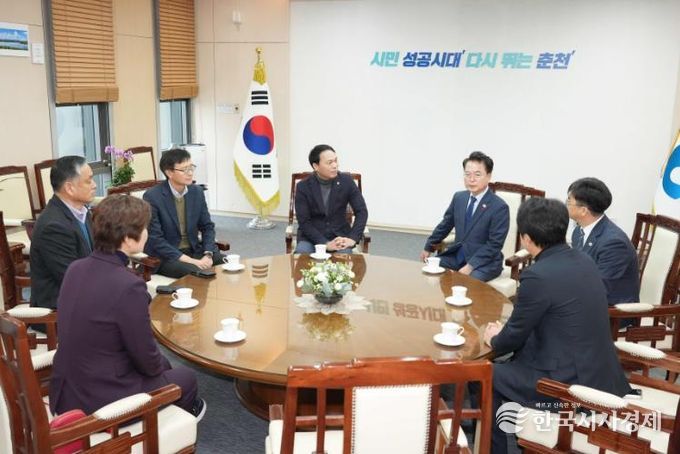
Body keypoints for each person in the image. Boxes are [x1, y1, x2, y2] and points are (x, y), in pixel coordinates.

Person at [483, 198, 631, 453]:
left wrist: (494, 338)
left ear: (526, 238)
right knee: (510, 363)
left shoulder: (537, 276)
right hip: (601, 373)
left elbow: (513, 335)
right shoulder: (584, 260)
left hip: (567, 385)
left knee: (487, 374)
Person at [50, 195, 205, 419]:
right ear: (128, 239)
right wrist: (159, 368)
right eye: (144, 228)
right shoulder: (128, 285)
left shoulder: (76, 268)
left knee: (164, 363)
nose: (147, 233)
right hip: (103, 401)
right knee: (187, 377)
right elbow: (147, 361)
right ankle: (164, 427)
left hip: (69, 390)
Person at [421, 151, 509, 281]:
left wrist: (470, 266)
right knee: (431, 270)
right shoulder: (459, 198)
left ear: (488, 176)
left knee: (470, 282)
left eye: (477, 175)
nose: (471, 179)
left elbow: (494, 245)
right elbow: (445, 225)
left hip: (484, 263)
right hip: (457, 256)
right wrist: (428, 246)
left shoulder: (499, 207)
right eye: (467, 174)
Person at [143, 148, 223, 278]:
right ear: (169, 172)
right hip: (168, 256)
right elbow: (155, 239)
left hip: (195, 250)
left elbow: (207, 226)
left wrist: (208, 254)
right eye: (184, 169)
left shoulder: (196, 192)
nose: (190, 173)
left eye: (191, 168)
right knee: (198, 273)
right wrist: (192, 261)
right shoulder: (152, 196)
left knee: (228, 264)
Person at [30, 156, 96, 310]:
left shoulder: (83, 212)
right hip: (61, 309)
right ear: (69, 188)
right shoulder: (53, 226)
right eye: (89, 181)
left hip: (84, 295)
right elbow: (72, 279)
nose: (94, 185)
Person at [567, 177, 640, 305]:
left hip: (611, 311)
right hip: (586, 300)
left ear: (583, 210)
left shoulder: (614, 243)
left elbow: (600, 289)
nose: (566, 205)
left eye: (569, 201)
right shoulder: (578, 232)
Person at [294, 144, 368, 253]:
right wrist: (325, 243)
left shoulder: (346, 181)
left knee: (343, 260)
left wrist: (352, 238)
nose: (335, 165)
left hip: (340, 237)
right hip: (311, 238)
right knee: (302, 255)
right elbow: (304, 222)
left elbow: (361, 211)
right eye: (329, 162)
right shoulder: (303, 187)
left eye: (335, 161)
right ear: (316, 166)